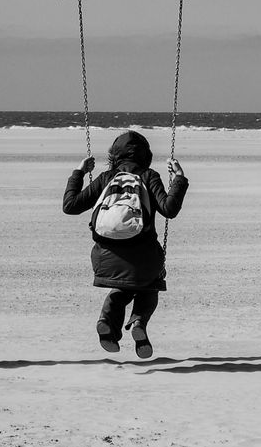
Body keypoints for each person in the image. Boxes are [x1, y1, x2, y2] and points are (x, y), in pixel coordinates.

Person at [62, 130, 189, 357]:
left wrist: (80, 172)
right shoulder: (149, 176)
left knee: (121, 286)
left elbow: (70, 206)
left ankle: (107, 322)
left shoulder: (106, 178)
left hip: (105, 260)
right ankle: (139, 321)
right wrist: (178, 177)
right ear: (146, 155)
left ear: (114, 155)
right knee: (150, 284)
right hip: (145, 261)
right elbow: (170, 209)